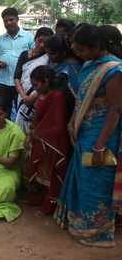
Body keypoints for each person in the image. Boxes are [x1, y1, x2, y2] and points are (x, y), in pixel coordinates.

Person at [54, 24, 122, 247]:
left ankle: (95, 230)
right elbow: (83, 98)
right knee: (83, 177)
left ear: (96, 46)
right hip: (84, 130)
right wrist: (73, 122)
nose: (79, 55)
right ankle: (77, 221)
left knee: (97, 179)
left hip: (103, 134)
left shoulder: (113, 70)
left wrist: (101, 143)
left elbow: (115, 109)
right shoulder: (91, 64)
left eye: (82, 50)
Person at [25, 66, 70, 215]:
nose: (34, 88)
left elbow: (58, 126)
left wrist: (38, 133)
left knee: (51, 176)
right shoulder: (43, 94)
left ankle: (49, 206)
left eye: (36, 85)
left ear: (46, 81)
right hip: (42, 140)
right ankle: (40, 199)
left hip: (52, 143)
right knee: (41, 173)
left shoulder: (57, 96)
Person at [0, 7, 35, 117]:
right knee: (3, 112)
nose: (8, 23)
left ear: (17, 19)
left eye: (11, 20)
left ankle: (19, 133)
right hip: (3, 83)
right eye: (5, 21)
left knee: (22, 110)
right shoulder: (0, 40)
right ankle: (5, 133)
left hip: (22, 83)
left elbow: (35, 58)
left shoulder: (29, 37)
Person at [14, 27, 54, 132]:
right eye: (39, 41)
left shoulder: (49, 58)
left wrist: (31, 98)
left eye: (46, 42)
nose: (42, 45)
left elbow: (47, 81)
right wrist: (23, 96)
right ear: (35, 39)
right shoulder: (25, 54)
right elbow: (17, 77)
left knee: (32, 128)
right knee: (19, 129)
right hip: (22, 96)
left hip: (37, 98)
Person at [45, 34, 82, 119]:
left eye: (52, 54)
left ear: (63, 52)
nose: (49, 57)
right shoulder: (52, 63)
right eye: (48, 54)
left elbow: (76, 96)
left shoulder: (72, 68)